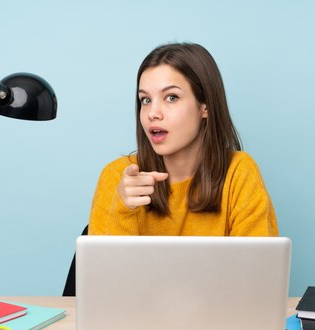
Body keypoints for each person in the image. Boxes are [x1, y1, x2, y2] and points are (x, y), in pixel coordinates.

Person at [88, 42, 278, 236]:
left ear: (205, 107)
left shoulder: (239, 174)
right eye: (145, 100)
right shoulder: (117, 178)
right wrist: (123, 209)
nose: (153, 113)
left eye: (171, 97)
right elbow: (102, 266)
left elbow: (259, 265)